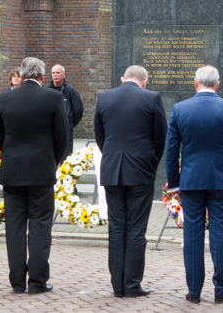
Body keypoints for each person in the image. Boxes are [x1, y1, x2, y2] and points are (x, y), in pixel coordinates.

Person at [166, 65, 223, 305]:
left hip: (190, 181)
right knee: (220, 232)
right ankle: (222, 290)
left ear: (195, 83)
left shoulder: (180, 109)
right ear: (217, 84)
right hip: (221, 180)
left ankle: (194, 291)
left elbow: (171, 151)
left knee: (192, 234)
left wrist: (174, 185)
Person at [0, 57, 68, 295]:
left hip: (13, 173)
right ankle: (37, 282)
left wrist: (12, 157)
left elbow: (0, 136)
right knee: (40, 226)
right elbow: (62, 137)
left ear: (22, 74)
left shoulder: (4, 98)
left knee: (14, 228)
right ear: (42, 77)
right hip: (41, 172)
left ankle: (17, 282)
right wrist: (51, 161)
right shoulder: (53, 98)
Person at [94, 65, 167, 299]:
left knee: (116, 229)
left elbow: (100, 135)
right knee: (136, 229)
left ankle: (118, 285)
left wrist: (112, 156)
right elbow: (160, 137)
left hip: (112, 169)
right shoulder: (152, 98)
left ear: (122, 78)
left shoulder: (104, 97)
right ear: (144, 81)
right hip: (140, 171)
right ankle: (132, 284)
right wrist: (150, 162)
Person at [48, 64, 84, 156]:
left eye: (58, 73)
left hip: (66, 131)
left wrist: (69, 123)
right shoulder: (46, 90)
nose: (55, 75)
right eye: (53, 73)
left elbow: (78, 110)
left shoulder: (71, 91)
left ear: (63, 74)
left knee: (66, 157)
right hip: (49, 131)